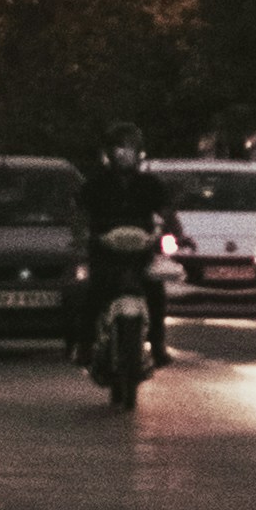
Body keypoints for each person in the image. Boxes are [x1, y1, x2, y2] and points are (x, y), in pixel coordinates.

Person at [82, 122, 174, 367]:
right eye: (118, 147)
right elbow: (78, 212)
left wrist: (178, 232)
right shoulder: (96, 184)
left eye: (129, 147)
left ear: (139, 151)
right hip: (104, 253)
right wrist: (80, 234)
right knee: (92, 294)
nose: (123, 153)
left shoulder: (150, 184)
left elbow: (166, 211)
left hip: (140, 253)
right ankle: (85, 345)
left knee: (156, 294)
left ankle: (157, 345)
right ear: (109, 153)